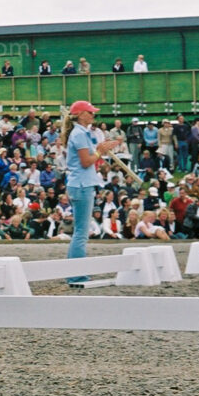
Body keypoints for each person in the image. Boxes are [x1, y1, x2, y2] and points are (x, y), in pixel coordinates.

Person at [62, 101, 122, 285]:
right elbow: (87, 161)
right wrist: (99, 152)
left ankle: (74, 272)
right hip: (82, 184)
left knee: (80, 231)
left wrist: (100, 150)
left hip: (80, 183)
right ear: (80, 114)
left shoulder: (81, 133)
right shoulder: (79, 134)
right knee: (81, 232)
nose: (93, 115)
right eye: (90, 112)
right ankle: (76, 274)